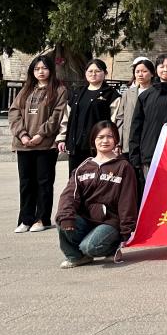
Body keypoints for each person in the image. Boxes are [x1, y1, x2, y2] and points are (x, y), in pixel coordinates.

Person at [55, 121, 138, 268]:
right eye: (100, 137)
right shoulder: (83, 167)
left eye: (109, 137)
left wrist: (126, 232)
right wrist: (66, 216)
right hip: (86, 219)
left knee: (90, 247)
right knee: (63, 218)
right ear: (93, 140)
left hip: (110, 222)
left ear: (116, 140)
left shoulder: (123, 167)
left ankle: (111, 248)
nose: (105, 141)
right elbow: (69, 195)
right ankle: (76, 257)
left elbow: (127, 201)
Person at [9, 55, 67, 234]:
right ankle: (25, 219)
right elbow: (14, 112)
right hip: (24, 144)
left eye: (44, 68)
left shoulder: (59, 90)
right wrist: (23, 135)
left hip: (45, 144)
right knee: (26, 183)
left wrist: (41, 134)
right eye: (37, 69)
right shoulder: (26, 89)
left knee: (44, 182)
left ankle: (42, 219)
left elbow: (57, 115)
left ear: (51, 70)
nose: (40, 72)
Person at [57, 59, 119, 177]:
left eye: (97, 71)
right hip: (76, 146)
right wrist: (62, 138)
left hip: (99, 147)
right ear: (85, 73)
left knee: (96, 180)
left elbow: (115, 120)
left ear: (105, 73)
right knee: (75, 178)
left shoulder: (111, 94)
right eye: (90, 71)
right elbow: (66, 118)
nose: (93, 74)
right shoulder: (77, 93)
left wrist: (115, 143)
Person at [115, 58, 155, 169]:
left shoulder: (157, 93)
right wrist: (118, 142)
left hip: (149, 141)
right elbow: (120, 119)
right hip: (129, 141)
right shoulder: (128, 94)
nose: (140, 74)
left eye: (144, 71)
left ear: (152, 73)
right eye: (137, 72)